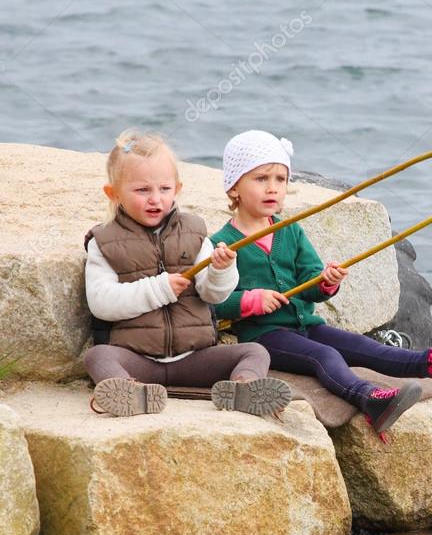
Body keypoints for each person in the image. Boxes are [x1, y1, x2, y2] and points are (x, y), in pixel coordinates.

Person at [211, 130, 432, 437]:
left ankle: (431, 364)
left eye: (280, 179)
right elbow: (213, 299)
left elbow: (311, 282)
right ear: (234, 187)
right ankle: (369, 399)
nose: (273, 188)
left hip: (307, 324)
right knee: (325, 356)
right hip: (267, 335)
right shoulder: (222, 244)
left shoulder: (289, 230)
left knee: (363, 346)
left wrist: (326, 282)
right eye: (261, 179)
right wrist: (251, 301)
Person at [83, 129, 291, 417]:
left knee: (254, 352)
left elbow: (213, 295)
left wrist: (221, 270)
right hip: (137, 359)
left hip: (195, 356)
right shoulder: (103, 241)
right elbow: (102, 303)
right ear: (114, 193)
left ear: (177, 188)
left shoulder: (194, 232)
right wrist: (159, 289)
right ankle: (129, 391)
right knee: (98, 356)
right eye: (142, 190)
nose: (155, 199)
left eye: (164, 189)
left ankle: (244, 388)